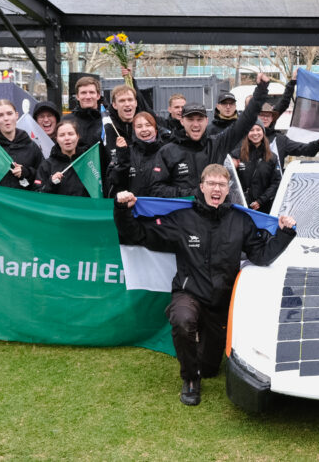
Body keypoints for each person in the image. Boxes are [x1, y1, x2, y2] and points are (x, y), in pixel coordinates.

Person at [114, 164, 297, 406]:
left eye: (221, 184)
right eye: (211, 183)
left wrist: (284, 233)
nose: (216, 189)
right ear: (201, 187)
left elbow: (261, 256)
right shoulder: (182, 218)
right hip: (188, 292)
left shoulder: (241, 221)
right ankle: (190, 379)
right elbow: (138, 233)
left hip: (220, 301)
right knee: (182, 319)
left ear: (228, 189)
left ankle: (199, 356)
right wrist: (122, 210)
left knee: (210, 368)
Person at [149, 74, 271, 198]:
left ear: (206, 121)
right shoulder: (167, 151)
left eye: (199, 119)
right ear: (182, 121)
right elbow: (156, 189)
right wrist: (191, 194)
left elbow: (245, 121)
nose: (195, 124)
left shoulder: (216, 145)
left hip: (214, 209)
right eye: (190, 119)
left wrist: (261, 90)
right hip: (182, 210)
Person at [0, 99, 43, 190]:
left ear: (16, 115)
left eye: (9, 113)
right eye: (0, 115)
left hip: (22, 198)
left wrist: (26, 172)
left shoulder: (30, 145)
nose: (6, 118)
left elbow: (43, 174)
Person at [107, 111, 165, 196]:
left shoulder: (166, 151)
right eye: (139, 126)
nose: (144, 129)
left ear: (155, 130)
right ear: (134, 131)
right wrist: (122, 157)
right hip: (134, 203)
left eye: (148, 125)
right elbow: (114, 181)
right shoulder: (126, 152)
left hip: (160, 203)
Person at [257, 102, 319, 170]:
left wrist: (318, 144)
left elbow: (303, 149)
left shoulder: (280, 140)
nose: (265, 118)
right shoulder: (249, 137)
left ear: (272, 118)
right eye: (262, 115)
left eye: (268, 115)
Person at [234, 120, 282, 212]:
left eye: (258, 130)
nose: (255, 133)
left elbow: (276, 182)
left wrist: (261, 201)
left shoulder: (272, 157)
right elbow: (230, 179)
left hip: (263, 208)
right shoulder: (236, 154)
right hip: (240, 207)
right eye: (251, 130)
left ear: (263, 132)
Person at [34, 120, 90, 197]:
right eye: (62, 135)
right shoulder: (47, 165)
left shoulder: (89, 162)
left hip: (83, 205)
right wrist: (51, 183)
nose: (67, 138)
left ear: (78, 137)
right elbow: (37, 195)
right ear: (56, 139)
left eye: (70, 134)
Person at [70, 76, 107, 154]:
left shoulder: (108, 119)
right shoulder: (68, 121)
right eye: (83, 93)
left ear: (98, 95)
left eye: (91, 92)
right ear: (77, 96)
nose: (88, 96)